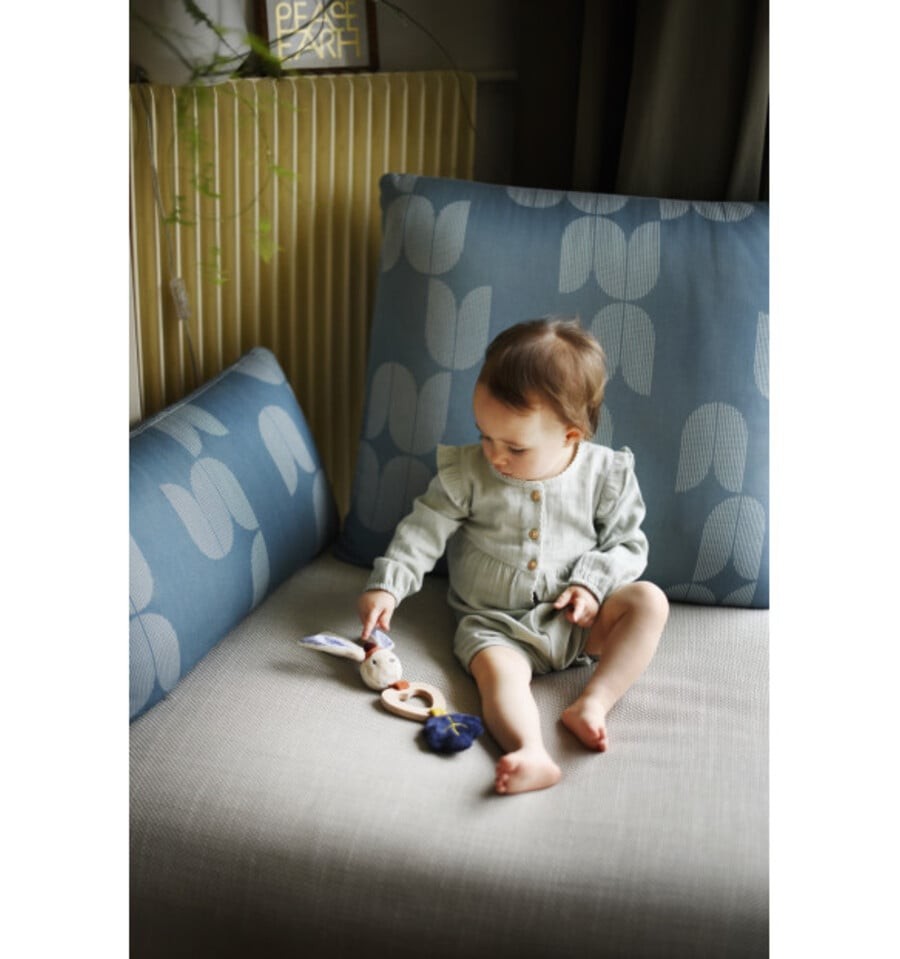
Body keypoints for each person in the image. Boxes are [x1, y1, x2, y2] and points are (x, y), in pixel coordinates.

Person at [358, 318, 669, 795]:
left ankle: (594, 703)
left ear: (571, 435)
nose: (494, 455)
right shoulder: (468, 474)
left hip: (577, 623)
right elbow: (423, 530)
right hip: (495, 625)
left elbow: (629, 544)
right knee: (499, 676)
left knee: (649, 602)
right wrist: (388, 585)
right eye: (484, 434)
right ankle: (530, 750)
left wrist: (591, 585)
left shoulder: (606, 474)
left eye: (515, 447)